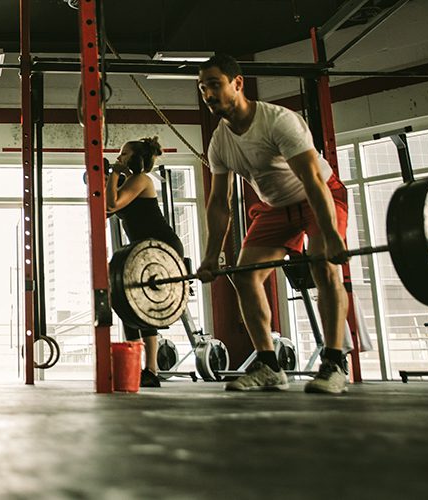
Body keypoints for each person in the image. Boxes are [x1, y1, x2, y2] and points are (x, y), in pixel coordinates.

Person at [196, 54, 350, 394]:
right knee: (244, 275)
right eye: (203, 88)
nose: (208, 94)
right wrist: (210, 257)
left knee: (324, 265)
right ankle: (269, 365)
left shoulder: (279, 121)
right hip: (275, 208)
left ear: (237, 84)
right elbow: (219, 204)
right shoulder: (219, 142)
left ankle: (335, 362)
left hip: (318, 195)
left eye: (215, 85)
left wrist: (330, 236)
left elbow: (312, 181)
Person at [105, 137, 185, 388]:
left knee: (143, 304)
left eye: (124, 154)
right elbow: (107, 208)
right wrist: (112, 176)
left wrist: (114, 175)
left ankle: (152, 369)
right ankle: (137, 365)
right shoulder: (128, 182)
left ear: (138, 159)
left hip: (161, 247)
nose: (120, 158)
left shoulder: (141, 180)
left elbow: (112, 203)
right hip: (141, 250)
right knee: (124, 301)